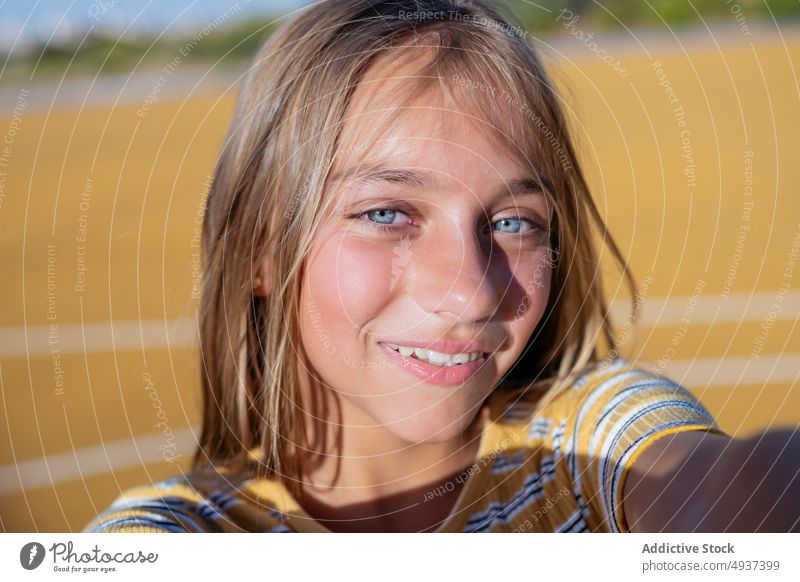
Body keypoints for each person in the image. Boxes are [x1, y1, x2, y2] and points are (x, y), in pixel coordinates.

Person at [84, 0, 799, 533]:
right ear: (257, 251)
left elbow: (716, 489)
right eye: (386, 213)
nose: (469, 292)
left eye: (514, 222)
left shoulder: (585, 447)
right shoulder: (175, 536)